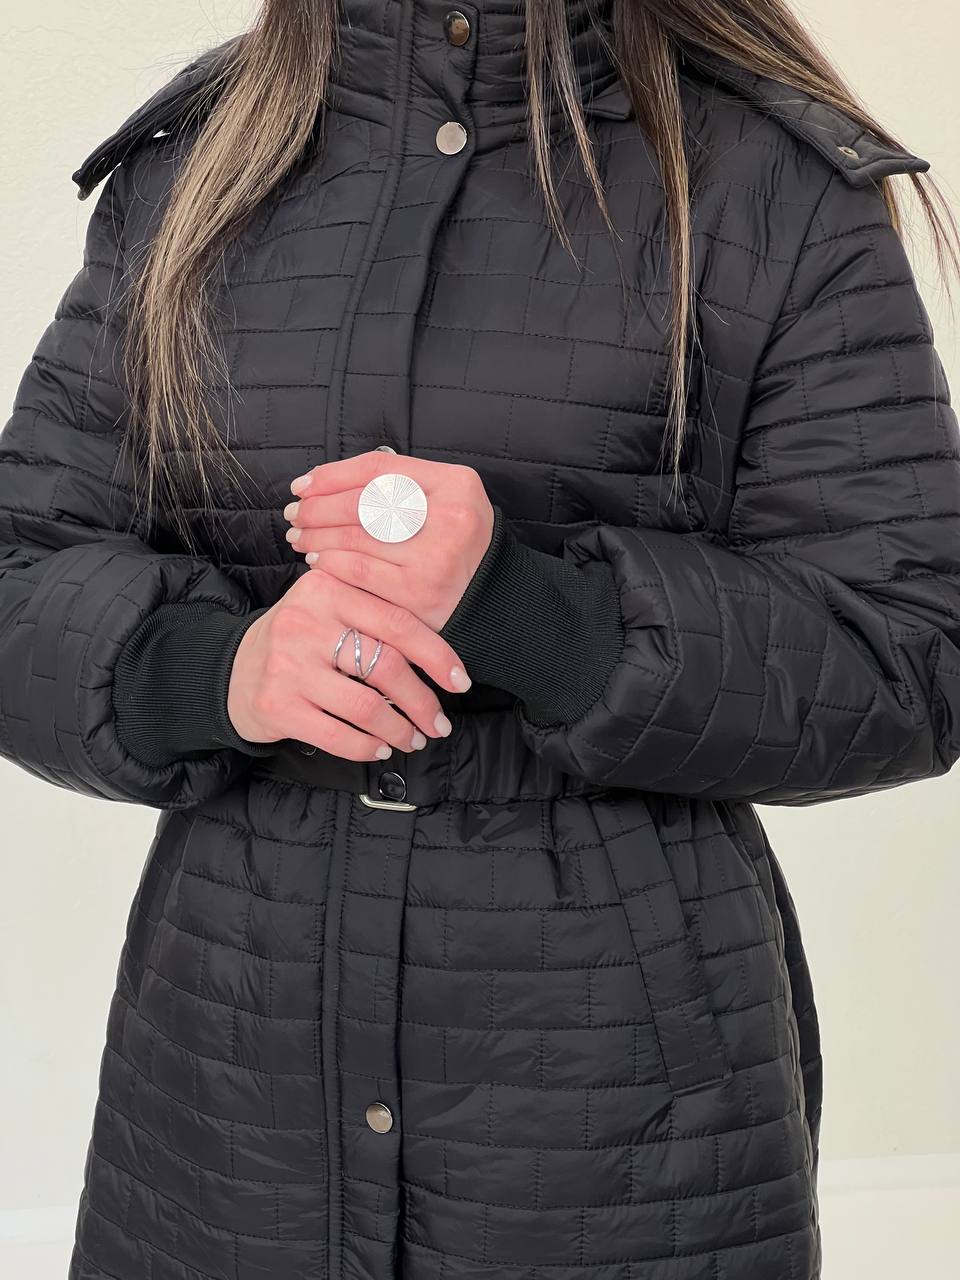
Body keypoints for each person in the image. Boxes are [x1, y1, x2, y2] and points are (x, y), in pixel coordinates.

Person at [3, 2, 959, 1278]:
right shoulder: (193, 170)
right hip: (223, 1113)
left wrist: (532, 612)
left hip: (628, 1140)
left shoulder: (767, 185)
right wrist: (216, 671)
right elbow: (18, 572)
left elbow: (910, 648)